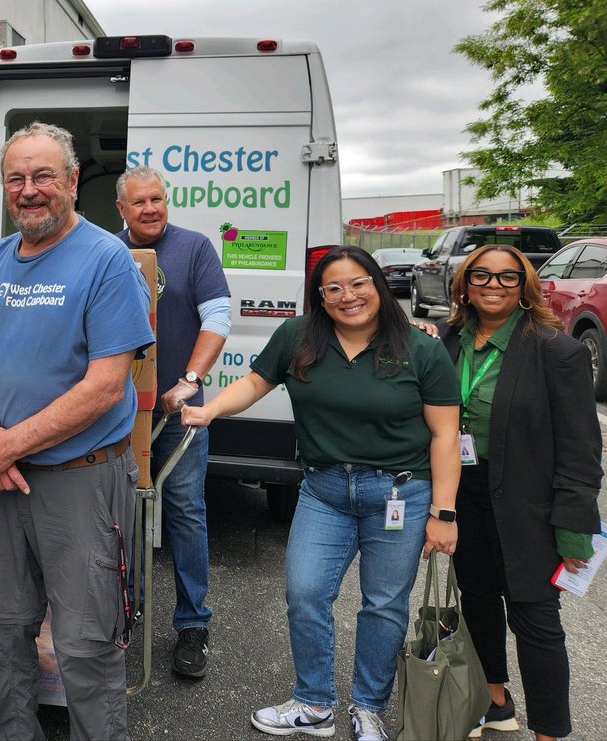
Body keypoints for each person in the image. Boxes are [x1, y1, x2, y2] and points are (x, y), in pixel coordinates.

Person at [181, 245, 460, 741]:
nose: (348, 296)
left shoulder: (421, 347)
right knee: (306, 593)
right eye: (334, 288)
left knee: (384, 605)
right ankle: (314, 704)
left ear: (378, 284)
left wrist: (444, 511)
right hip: (325, 489)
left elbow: (444, 435)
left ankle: (369, 708)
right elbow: (254, 382)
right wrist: (210, 411)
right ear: (320, 296)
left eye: (359, 283)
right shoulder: (298, 336)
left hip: (400, 493)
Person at [0, 122, 154, 741]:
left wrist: (5, 445)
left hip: (80, 480)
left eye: (43, 176)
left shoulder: (106, 260)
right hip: (4, 479)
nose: (29, 190)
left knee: (86, 643)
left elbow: (105, 385)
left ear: (71, 182)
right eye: (17, 178)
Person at [439, 246, 603, 741]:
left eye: (507, 277)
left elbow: (581, 449)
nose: (494, 285)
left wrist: (576, 527)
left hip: (530, 503)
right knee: (479, 601)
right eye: (481, 275)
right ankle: (495, 701)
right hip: (463, 492)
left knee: (536, 621)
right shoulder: (446, 340)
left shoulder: (556, 350)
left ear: (525, 286)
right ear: (464, 284)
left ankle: (550, 731)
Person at [115, 166, 230, 679]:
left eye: (157, 199)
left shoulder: (195, 248)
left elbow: (219, 317)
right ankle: (126, 612)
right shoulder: (107, 250)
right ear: (122, 209)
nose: (150, 209)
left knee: (185, 512)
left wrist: (190, 378)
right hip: (122, 413)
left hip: (180, 410)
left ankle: (192, 626)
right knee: (124, 514)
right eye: (139, 203)